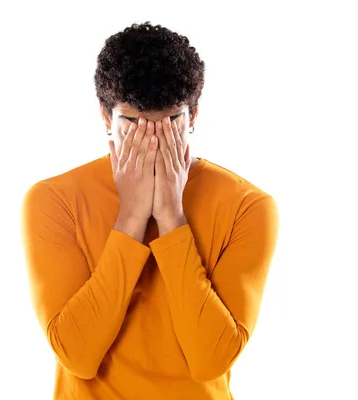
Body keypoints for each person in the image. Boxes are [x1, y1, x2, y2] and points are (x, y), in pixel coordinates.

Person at [21, 21, 279, 400]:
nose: (154, 142)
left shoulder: (247, 207)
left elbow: (211, 361)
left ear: (193, 116)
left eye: (172, 123)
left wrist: (173, 218)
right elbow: (77, 356)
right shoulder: (54, 200)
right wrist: (131, 218)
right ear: (106, 117)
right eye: (133, 124)